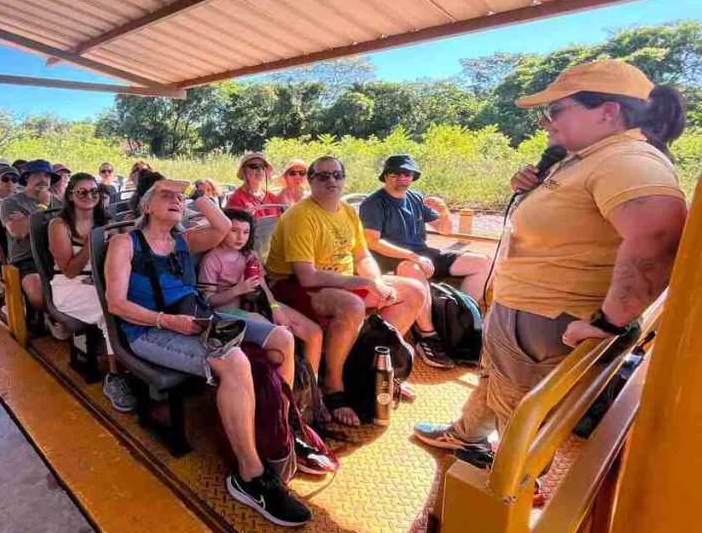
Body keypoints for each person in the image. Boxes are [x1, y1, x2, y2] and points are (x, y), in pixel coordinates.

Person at [413, 60, 687, 469]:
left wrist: (609, 322)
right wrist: (530, 188)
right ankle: (465, 434)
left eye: (556, 110)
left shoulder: (626, 159)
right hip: (520, 311)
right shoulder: (586, 157)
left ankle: (512, 486)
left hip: (547, 321)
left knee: (518, 414)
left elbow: (657, 237)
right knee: (494, 380)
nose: (545, 122)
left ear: (607, 112)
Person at [105, 180, 311, 527]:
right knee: (234, 361)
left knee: (281, 339)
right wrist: (166, 320)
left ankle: (281, 429)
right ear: (146, 207)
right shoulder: (125, 244)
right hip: (149, 330)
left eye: (178, 197)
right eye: (164, 195)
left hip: (200, 318)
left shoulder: (183, 241)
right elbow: (116, 303)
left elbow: (224, 227)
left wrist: (198, 194)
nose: (174, 200)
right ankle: (250, 476)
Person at [266, 156, 426, 426]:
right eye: (323, 176)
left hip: (340, 279)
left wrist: (377, 281)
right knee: (352, 305)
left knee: (413, 291)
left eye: (337, 175)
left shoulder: (348, 212)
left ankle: (368, 363)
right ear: (311, 181)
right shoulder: (300, 216)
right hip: (290, 285)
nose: (331, 180)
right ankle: (333, 384)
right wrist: (365, 285)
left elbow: (362, 256)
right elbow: (307, 276)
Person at [360, 154, 493, 368]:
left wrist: (444, 211)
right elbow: (372, 241)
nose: (402, 178)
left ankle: (456, 319)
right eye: (395, 173)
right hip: (393, 260)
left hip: (424, 254)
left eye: (407, 173)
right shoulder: (373, 203)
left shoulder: (415, 198)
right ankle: (428, 336)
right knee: (412, 267)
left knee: (484, 263)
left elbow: (446, 231)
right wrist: (411, 255)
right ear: (385, 176)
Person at [199, 208, 324, 377]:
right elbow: (208, 301)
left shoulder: (250, 255)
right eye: (234, 231)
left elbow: (263, 286)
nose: (240, 237)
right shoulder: (212, 260)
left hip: (258, 303)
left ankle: (312, 388)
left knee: (314, 332)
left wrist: (275, 308)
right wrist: (238, 290)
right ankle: (283, 393)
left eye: (245, 232)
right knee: (280, 340)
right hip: (227, 312)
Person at [48, 173, 135, 412]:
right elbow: (69, 269)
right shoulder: (59, 225)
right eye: (82, 192)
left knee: (136, 300)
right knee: (110, 310)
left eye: (94, 192)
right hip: (70, 285)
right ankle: (115, 377)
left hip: (101, 280)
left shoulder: (106, 219)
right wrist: (92, 242)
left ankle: (136, 361)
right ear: (71, 196)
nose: (89, 196)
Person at [0, 159, 63, 311]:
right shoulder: (10, 202)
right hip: (27, 260)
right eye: (37, 175)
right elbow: (19, 231)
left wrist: (27, 219)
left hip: (56, 257)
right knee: (37, 292)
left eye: (47, 176)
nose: (43, 179)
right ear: (27, 177)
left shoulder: (59, 203)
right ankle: (52, 318)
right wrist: (42, 207)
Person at [227, 152, 282, 218]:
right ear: (243, 170)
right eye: (254, 166)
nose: (260, 170)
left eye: (264, 166)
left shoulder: (271, 196)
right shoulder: (237, 199)